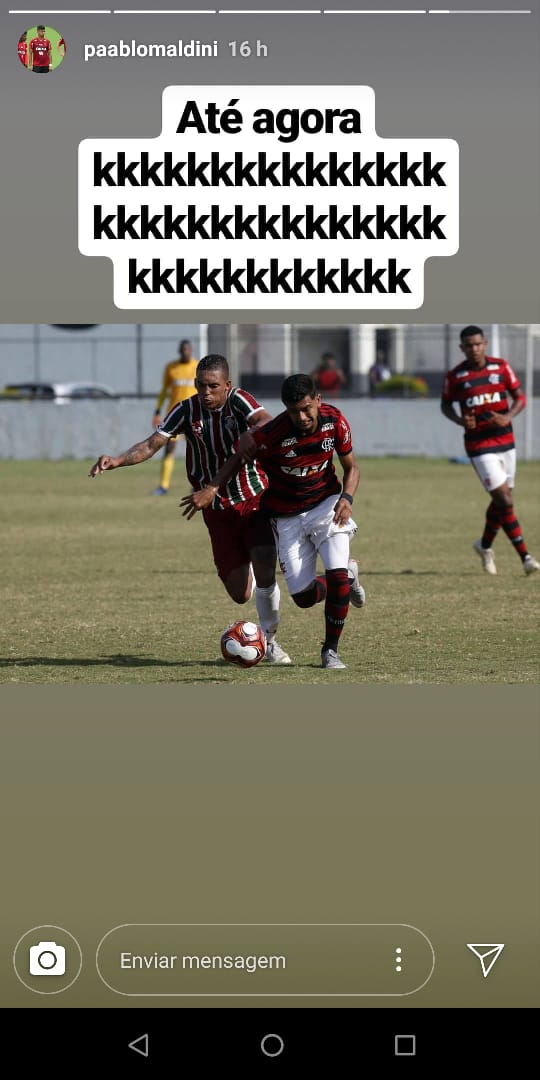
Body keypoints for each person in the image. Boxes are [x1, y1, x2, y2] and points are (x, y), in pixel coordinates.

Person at [89, 354, 291, 665]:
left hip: (254, 499)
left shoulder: (239, 402)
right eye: (200, 386)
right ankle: (250, 567)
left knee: (267, 572)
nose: (205, 392)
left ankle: (271, 641)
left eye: (212, 386)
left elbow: (266, 421)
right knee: (239, 594)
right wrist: (117, 461)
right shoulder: (186, 409)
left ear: (227, 385)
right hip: (214, 508)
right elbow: (152, 443)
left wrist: (255, 433)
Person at [182, 373, 365, 670]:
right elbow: (239, 458)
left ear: (318, 400)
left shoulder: (335, 421)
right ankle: (349, 575)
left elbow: (351, 466)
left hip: (327, 506)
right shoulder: (273, 435)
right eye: (294, 411)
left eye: (307, 408)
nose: (302, 417)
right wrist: (213, 487)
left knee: (336, 574)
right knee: (304, 597)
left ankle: (330, 651)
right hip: (287, 516)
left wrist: (347, 498)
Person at [441, 325, 539, 576]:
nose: (474, 349)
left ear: (484, 344)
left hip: (506, 441)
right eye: (468, 346)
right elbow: (446, 406)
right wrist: (460, 420)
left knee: (501, 503)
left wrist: (508, 416)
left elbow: (520, 398)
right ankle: (526, 557)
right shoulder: (456, 376)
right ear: (462, 348)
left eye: (478, 344)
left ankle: (484, 546)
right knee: (504, 499)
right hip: (479, 445)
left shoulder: (501, 367)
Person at [151, 339, 198, 496]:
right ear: (180, 351)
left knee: (197, 450)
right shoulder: (171, 368)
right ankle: (163, 486)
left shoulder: (197, 367)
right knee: (169, 449)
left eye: (188, 349)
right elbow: (164, 390)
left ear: (191, 351)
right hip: (175, 415)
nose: (186, 352)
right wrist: (157, 411)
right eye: (183, 349)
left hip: (194, 414)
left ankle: (197, 484)